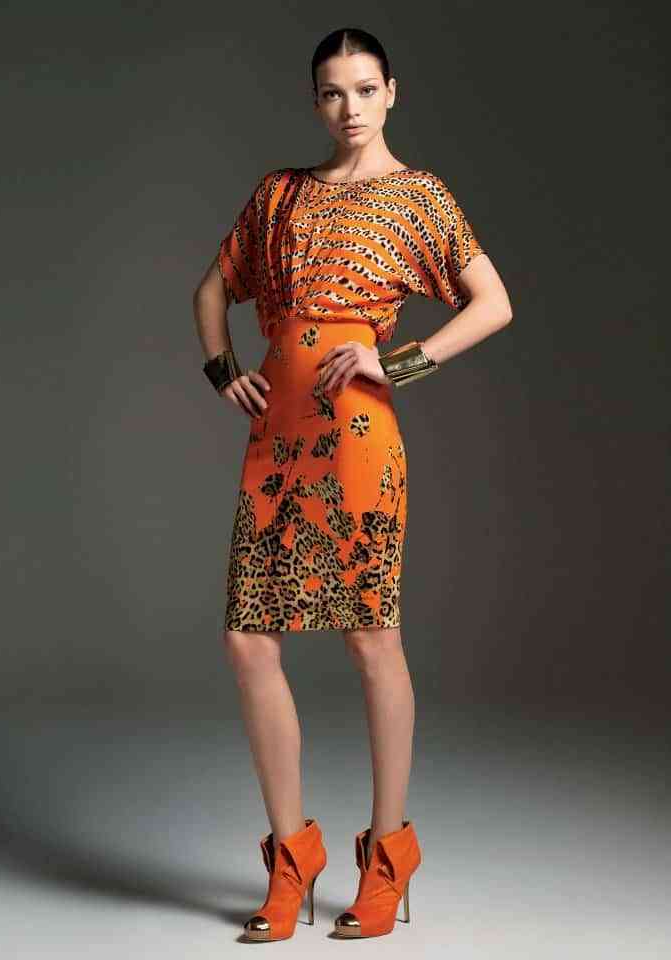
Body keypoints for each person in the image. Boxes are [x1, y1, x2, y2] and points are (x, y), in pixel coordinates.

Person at [193, 26, 513, 942]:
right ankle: (292, 857)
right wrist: (223, 371)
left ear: (392, 92)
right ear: (315, 101)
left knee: (372, 637)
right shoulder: (279, 194)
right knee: (247, 640)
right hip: (276, 439)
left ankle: (389, 853)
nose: (350, 108)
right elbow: (212, 292)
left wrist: (398, 361)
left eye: (366, 89)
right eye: (333, 92)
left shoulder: (420, 197)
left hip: (360, 440)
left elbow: (493, 302)